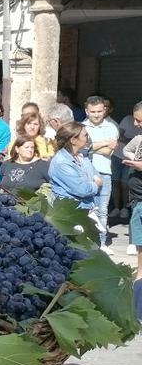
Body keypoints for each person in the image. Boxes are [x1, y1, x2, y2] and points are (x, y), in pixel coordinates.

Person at [50, 123, 103, 234]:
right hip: (70, 212)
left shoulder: (82, 157)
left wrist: (95, 183)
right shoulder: (61, 162)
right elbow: (81, 189)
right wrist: (95, 185)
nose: (87, 138)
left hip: (87, 209)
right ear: (73, 140)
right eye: (85, 135)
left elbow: (97, 176)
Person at [82, 96, 118, 248]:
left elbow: (109, 151)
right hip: (84, 173)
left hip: (104, 173)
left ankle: (101, 243)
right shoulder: (81, 127)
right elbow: (83, 149)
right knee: (86, 208)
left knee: (102, 210)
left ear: (105, 110)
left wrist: (91, 146)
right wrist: (102, 143)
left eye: (99, 111)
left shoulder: (112, 127)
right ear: (86, 111)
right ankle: (87, 241)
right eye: (93, 111)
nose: (96, 114)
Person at [116, 101, 142, 256]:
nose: (135, 124)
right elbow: (126, 149)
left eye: (139, 120)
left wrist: (139, 165)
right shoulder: (139, 139)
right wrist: (134, 158)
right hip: (137, 196)